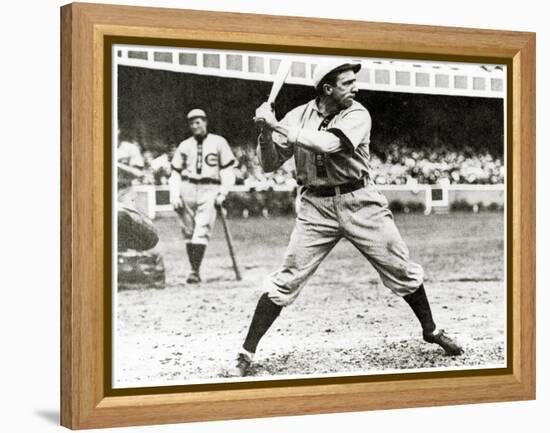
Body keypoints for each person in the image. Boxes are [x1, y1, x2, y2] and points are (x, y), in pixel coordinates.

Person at [231, 60, 463, 377]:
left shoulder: (357, 113)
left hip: (360, 200)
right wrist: (264, 134)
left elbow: (329, 144)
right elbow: (270, 164)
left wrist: (277, 126)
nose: (356, 87)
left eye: (355, 81)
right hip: (315, 206)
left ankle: (431, 330)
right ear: (327, 89)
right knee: (287, 277)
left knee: (401, 268)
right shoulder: (297, 115)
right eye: (347, 82)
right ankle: (246, 351)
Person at [169, 109, 236, 283]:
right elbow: (175, 172)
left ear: (205, 122)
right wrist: (175, 195)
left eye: (198, 122)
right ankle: (195, 270)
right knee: (188, 231)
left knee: (202, 228)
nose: (194, 126)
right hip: (188, 186)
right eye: (191, 123)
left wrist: (223, 192)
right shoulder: (184, 145)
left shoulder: (219, 142)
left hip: (210, 187)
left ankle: (194, 270)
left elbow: (228, 170)